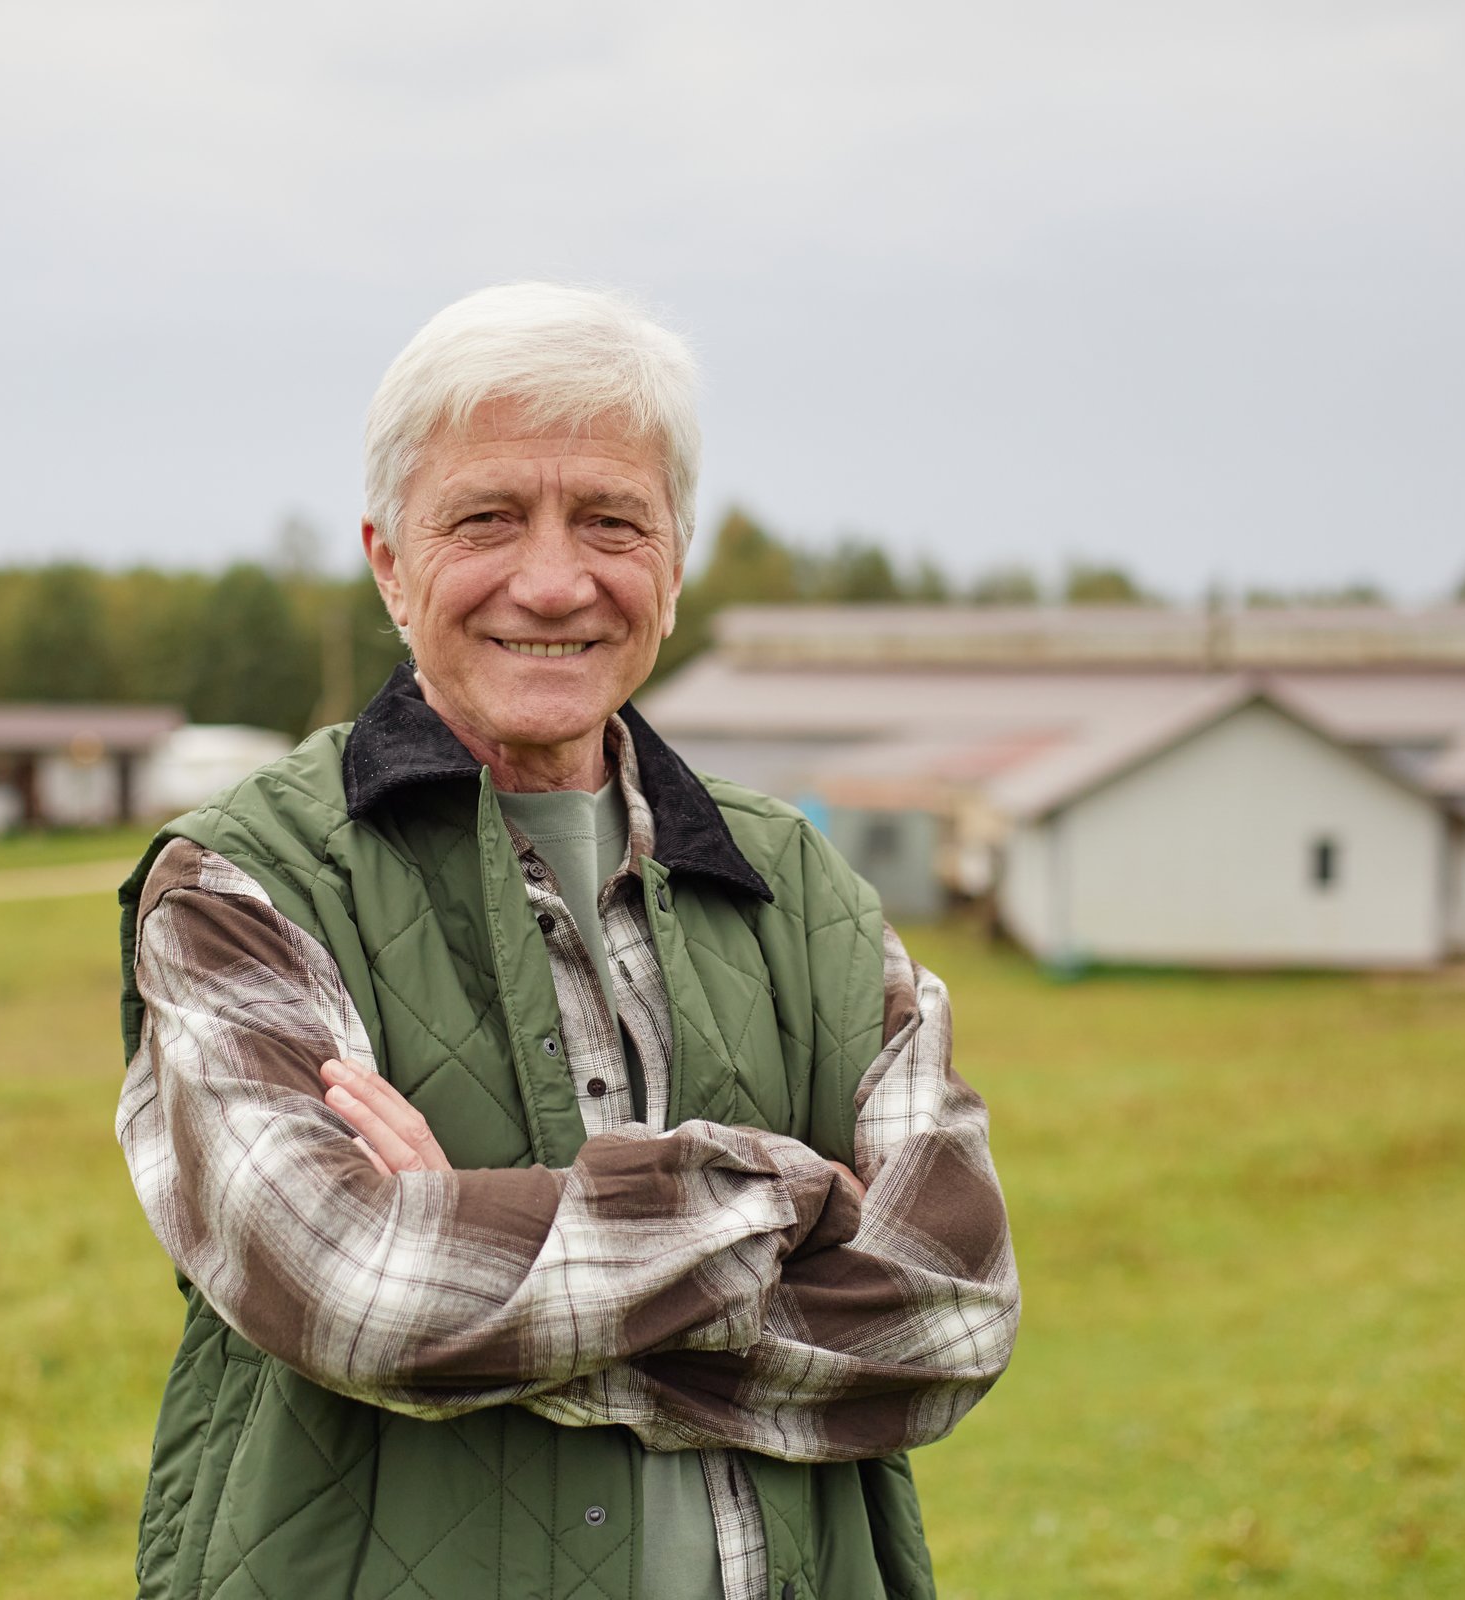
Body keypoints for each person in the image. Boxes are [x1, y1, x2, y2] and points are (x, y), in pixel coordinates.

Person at [115, 283, 1018, 1600]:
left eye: (611, 521)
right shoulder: (244, 880)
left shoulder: (802, 886)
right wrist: (795, 1202)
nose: (553, 580)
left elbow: (953, 1305)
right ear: (388, 559)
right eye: (486, 518)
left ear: (675, 558)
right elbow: (356, 1286)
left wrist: (480, 1263)